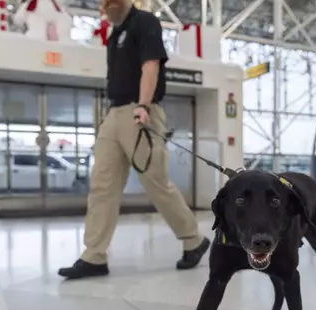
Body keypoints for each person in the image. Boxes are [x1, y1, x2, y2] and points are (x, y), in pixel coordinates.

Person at [58, 0, 210, 279]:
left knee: (155, 182)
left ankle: (193, 240)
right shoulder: (115, 33)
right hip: (114, 113)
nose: (107, 5)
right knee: (102, 185)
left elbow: (150, 66)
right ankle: (94, 255)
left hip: (140, 111)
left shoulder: (145, 22)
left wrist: (144, 105)